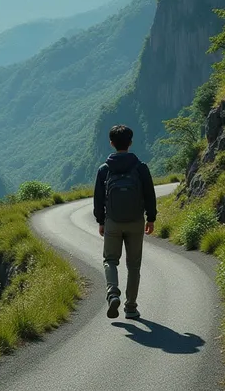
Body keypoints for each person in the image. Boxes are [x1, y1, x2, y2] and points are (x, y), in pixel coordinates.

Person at [93, 124, 157, 320]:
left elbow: (98, 199)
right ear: (130, 142)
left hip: (113, 221)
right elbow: (149, 195)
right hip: (135, 221)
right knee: (134, 265)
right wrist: (151, 218)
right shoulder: (140, 168)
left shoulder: (104, 170)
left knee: (110, 260)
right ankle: (130, 307)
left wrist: (101, 221)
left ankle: (113, 293)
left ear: (111, 143)